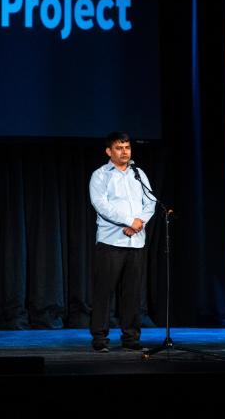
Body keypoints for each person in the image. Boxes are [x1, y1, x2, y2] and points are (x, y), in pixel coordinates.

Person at [88, 131, 155, 352]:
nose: (124, 151)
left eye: (127, 147)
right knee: (104, 292)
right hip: (110, 243)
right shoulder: (100, 175)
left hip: (136, 242)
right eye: (119, 147)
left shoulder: (138, 173)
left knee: (132, 293)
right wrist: (129, 220)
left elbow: (151, 201)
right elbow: (102, 205)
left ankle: (131, 338)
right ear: (109, 151)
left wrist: (139, 223)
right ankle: (100, 339)